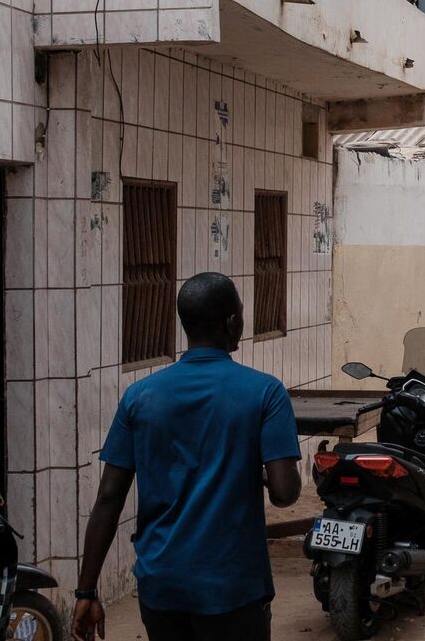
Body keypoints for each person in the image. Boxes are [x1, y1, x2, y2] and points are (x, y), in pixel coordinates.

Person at [73, 273, 303, 641]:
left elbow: (108, 497)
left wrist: (86, 590)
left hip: (162, 586)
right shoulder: (265, 393)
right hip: (234, 587)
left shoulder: (139, 396)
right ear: (232, 322)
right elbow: (285, 493)